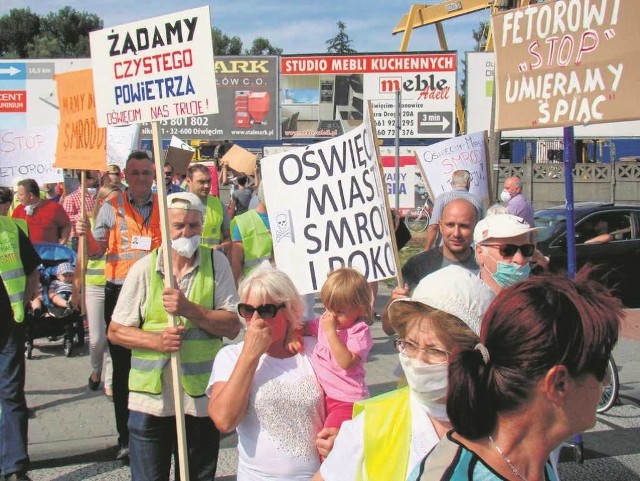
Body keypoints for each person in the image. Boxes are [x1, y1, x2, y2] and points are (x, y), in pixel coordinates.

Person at [416, 269, 621, 481]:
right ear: (558, 383)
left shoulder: (532, 462)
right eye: (600, 367)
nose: (606, 381)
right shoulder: (454, 475)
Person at [314, 265, 495, 481]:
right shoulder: (371, 425)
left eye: (435, 350)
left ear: (477, 354)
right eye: (409, 344)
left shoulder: (508, 429)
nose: (418, 360)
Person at [108, 192, 241, 481]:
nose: (187, 232)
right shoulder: (144, 269)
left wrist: (190, 309)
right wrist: (156, 342)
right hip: (152, 401)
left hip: (200, 398)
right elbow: (116, 331)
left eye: (194, 225)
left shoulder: (216, 263)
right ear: (165, 229)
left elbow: (232, 326)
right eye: (179, 226)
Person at [76, 150, 162, 461]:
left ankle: (156, 426)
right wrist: (84, 238)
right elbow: (97, 253)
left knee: (155, 365)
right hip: (120, 293)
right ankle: (126, 437)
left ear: (153, 176)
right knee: (123, 369)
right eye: (135, 173)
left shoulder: (163, 206)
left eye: (146, 173)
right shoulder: (111, 207)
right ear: (125, 176)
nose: (141, 178)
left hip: (154, 293)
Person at [207, 265, 325, 480]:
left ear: (288, 311)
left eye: (266, 310)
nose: (256, 320)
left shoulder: (314, 349)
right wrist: (250, 356)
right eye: (247, 310)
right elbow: (224, 420)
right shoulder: (231, 357)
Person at [290, 268, 374, 430]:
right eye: (328, 309)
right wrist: (294, 334)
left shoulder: (359, 331)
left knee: (329, 441)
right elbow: (304, 327)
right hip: (327, 396)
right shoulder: (325, 321)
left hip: (348, 400)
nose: (332, 316)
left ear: (361, 309)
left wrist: (330, 332)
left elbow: (345, 362)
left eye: (340, 312)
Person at [381, 198, 479, 335]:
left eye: (464, 226)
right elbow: (388, 328)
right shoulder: (417, 266)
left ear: (475, 227)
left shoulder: (484, 268)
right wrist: (394, 302)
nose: (456, 233)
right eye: (450, 225)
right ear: (440, 225)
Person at [0, 215, 41, 481]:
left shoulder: (10, 228)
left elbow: (32, 269)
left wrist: (25, 301)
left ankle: (15, 466)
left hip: (8, 325)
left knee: (11, 393)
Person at [74, 184, 121, 396]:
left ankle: (110, 382)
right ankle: (96, 370)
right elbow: (81, 259)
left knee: (114, 335)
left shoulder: (124, 222)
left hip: (116, 284)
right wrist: (77, 289)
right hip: (94, 287)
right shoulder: (89, 223)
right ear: (102, 202)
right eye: (114, 200)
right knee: (96, 338)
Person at [474, 213, 538, 294]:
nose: (520, 259)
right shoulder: (464, 301)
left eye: (526, 249)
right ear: (480, 253)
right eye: (508, 250)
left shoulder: (538, 300)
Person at [424, 170, 483, 250]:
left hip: (445, 249)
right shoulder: (477, 201)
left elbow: (434, 226)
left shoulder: (442, 198)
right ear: (468, 183)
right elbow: (480, 228)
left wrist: (426, 250)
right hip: (470, 250)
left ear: (452, 184)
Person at [230, 183, 272, 286]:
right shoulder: (243, 222)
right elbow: (236, 264)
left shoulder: (293, 220)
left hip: (286, 290)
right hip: (256, 290)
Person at [185, 164, 231, 254]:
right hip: (187, 261)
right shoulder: (179, 204)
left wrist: (220, 248)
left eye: (208, 181)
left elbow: (228, 237)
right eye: (201, 182)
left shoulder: (218, 204)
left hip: (212, 261)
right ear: (188, 181)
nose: (206, 186)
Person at [12, 178, 71, 245]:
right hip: (26, 253)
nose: (18, 197)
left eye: (20, 195)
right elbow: (12, 230)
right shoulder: (18, 210)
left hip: (48, 253)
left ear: (31, 196)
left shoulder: (55, 208)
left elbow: (66, 226)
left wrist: (61, 245)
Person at [62, 170, 99, 251]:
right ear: (85, 180)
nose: (98, 180)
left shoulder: (99, 196)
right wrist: (83, 215)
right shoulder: (71, 198)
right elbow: (65, 220)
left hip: (95, 237)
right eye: (94, 178)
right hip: (79, 239)